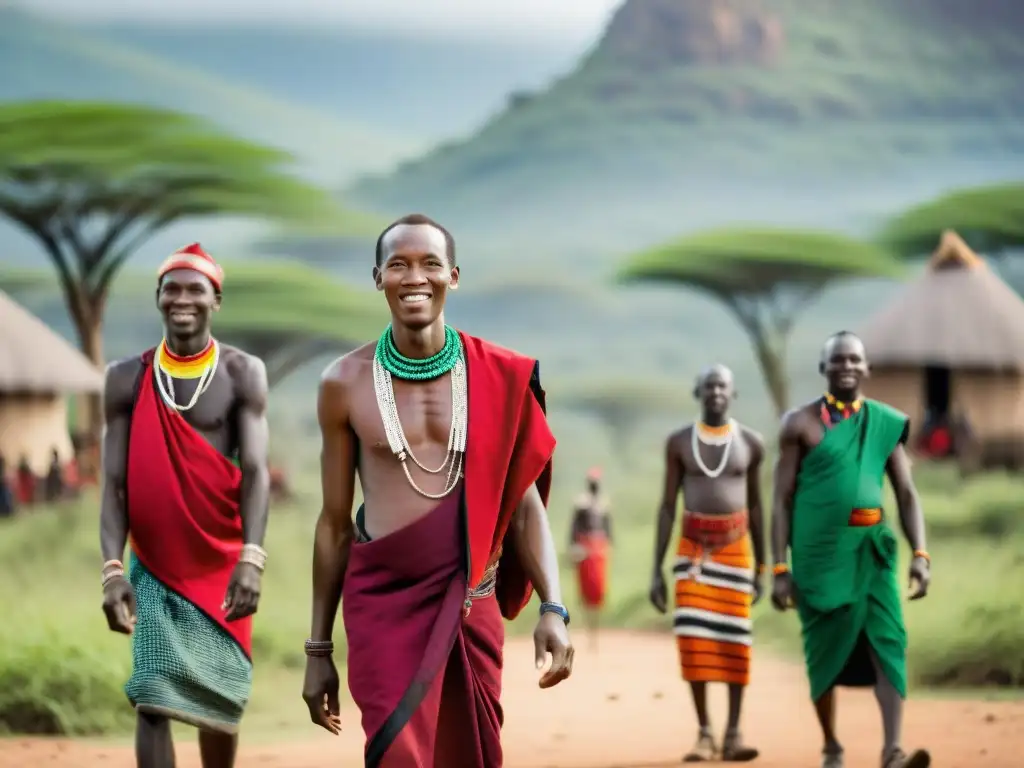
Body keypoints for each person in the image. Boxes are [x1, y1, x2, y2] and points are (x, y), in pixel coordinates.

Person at [303, 213, 573, 767]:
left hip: (472, 603)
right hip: (383, 604)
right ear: (377, 277)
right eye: (398, 264)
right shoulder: (343, 383)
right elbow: (332, 522)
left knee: (467, 754)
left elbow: (523, 507)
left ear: (454, 274)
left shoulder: (501, 376)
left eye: (429, 263)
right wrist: (318, 648)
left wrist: (554, 607)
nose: (415, 277)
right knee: (397, 753)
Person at [98, 243, 271, 768]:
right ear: (157, 297)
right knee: (152, 696)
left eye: (195, 288)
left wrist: (251, 558)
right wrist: (111, 570)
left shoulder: (244, 373)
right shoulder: (126, 377)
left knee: (220, 704)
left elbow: (257, 472)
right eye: (171, 287)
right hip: (151, 565)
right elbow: (113, 482)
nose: (182, 298)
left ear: (216, 300)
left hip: (222, 565)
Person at [770, 331, 931, 768]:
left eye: (854, 360)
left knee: (889, 641)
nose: (846, 366)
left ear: (866, 368)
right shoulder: (799, 424)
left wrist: (920, 555)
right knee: (822, 650)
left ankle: (892, 750)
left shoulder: (885, 423)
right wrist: (779, 567)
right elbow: (781, 500)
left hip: (872, 553)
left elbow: (907, 494)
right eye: (837, 360)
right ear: (824, 369)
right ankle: (831, 744)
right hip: (817, 558)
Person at [650, 364, 764, 763]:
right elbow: (667, 506)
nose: (716, 392)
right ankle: (703, 733)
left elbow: (756, 506)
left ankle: (733, 733)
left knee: (736, 642)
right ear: (698, 391)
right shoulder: (679, 442)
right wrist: (656, 570)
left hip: (736, 550)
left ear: (733, 394)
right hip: (692, 552)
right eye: (710, 385)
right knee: (694, 640)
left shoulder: (751, 442)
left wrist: (765, 566)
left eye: (723, 386)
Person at [568, 467, 612, 650]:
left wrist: (607, 548)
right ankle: (589, 632)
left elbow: (609, 531)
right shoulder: (581, 504)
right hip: (584, 549)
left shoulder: (603, 505)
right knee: (586, 590)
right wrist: (574, 548)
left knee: (599, 590)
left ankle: (596, 632)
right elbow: (573, 529)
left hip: (599, 550)